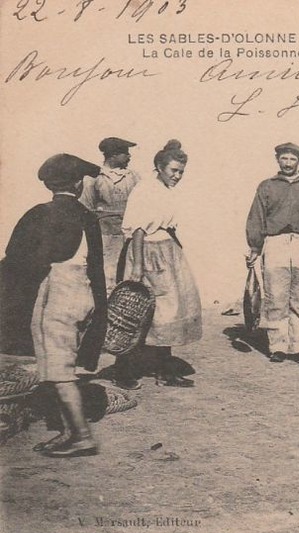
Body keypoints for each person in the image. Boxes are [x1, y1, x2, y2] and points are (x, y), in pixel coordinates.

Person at [0, 153, 107, 457]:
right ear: (76, 184)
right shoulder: (88, 216)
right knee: (59, 364)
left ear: (49, 184)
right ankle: (67, 430)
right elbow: (96, 267)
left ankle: (82, 436)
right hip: (82, 291)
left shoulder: (40, 214)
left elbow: (17, 261)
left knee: (59, 369)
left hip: (57, 294)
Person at [121, 139, 202, 386]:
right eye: (173, 171)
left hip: (168, 251)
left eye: (181, 172)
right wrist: (137, 266)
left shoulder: (165, 189)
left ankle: (163, 371)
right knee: (141, 314)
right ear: (159, 166)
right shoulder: (145, 189)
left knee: (169, 313)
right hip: (150, 252)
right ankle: (124, 371)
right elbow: (137, 229)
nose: (177, 176)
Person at [245, 142, 299, 365]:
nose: (287, 163)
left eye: (292, 159)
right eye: (284, 159)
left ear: (298, 161)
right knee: (276, 298)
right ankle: (278, 346)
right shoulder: (266, 187)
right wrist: (255, 248)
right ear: (277, 160)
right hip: (275, 244)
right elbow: (256, 218)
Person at [81, 138, 141, 287]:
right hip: (105, 237)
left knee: (129, 276)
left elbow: (143, 204)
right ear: (113, 155)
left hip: (130, 235)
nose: (129, 157)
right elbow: (86, 209)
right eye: (125, 153)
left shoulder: (134, 177)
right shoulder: (94, 178)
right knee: (108, 276)